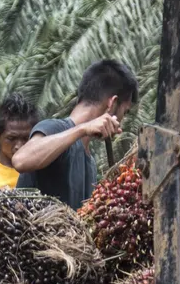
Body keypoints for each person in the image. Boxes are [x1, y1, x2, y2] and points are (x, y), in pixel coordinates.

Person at [14, 60, 138, 209]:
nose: (121, 123)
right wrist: (82, 129)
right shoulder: (54, 128)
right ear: (112, 103)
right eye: (124, 112)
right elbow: (21, 160)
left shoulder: (89, 163)